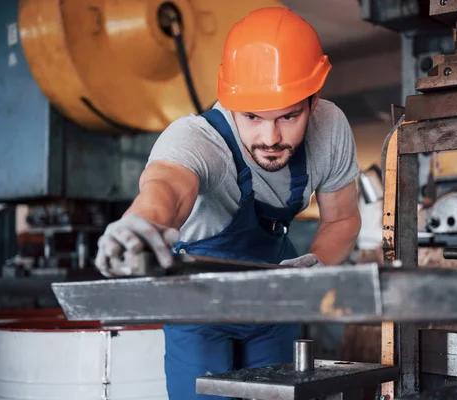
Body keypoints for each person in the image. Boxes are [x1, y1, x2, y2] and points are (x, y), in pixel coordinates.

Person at [95, 6, 361, 400]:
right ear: (229, 99)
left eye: (288, 117)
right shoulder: (196, 139)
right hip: (198, 306)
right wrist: (140, 223)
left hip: (273, 297)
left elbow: (342, 220)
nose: (270, 137)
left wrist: (314, 270)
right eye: (252, 116)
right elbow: (165, 190)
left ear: (314, 100)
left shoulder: (331, 127)